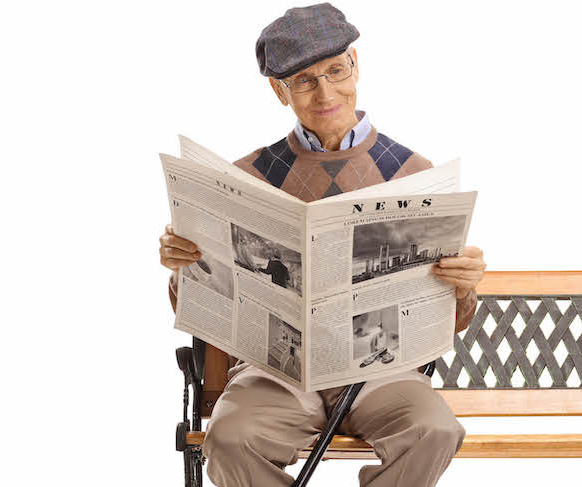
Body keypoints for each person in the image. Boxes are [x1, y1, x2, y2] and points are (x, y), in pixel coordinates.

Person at [157, 4, 486, 487]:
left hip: (381, 367)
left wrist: (463, 285)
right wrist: (181, 266)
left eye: (336, 70)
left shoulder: (415, 175)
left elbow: (451, 319)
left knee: (433, 430)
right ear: (279, 90)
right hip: (278, 372)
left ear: (356, 64)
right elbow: (200, 304)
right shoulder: (244, 180)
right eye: (305, 81)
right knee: (228, 439)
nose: (326, 92)